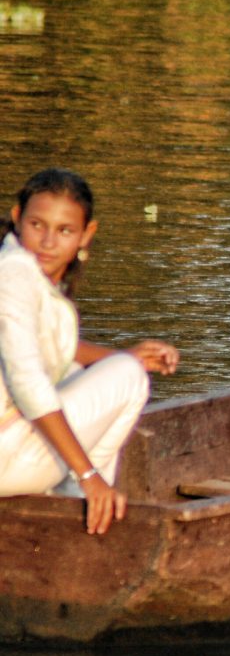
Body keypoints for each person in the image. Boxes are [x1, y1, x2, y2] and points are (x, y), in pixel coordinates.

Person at [0, 168, 179, 534]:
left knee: (101, 370)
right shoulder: (14, 276)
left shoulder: (17, 270)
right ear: (18, 218)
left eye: (64, 230)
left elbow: (47, 347)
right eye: (37, 225)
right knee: (128, 378)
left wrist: (123, 355)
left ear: (86, 234)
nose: (48, 242)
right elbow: (28, 384)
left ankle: (74, 494)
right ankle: (81, 502)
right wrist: (89, 475)